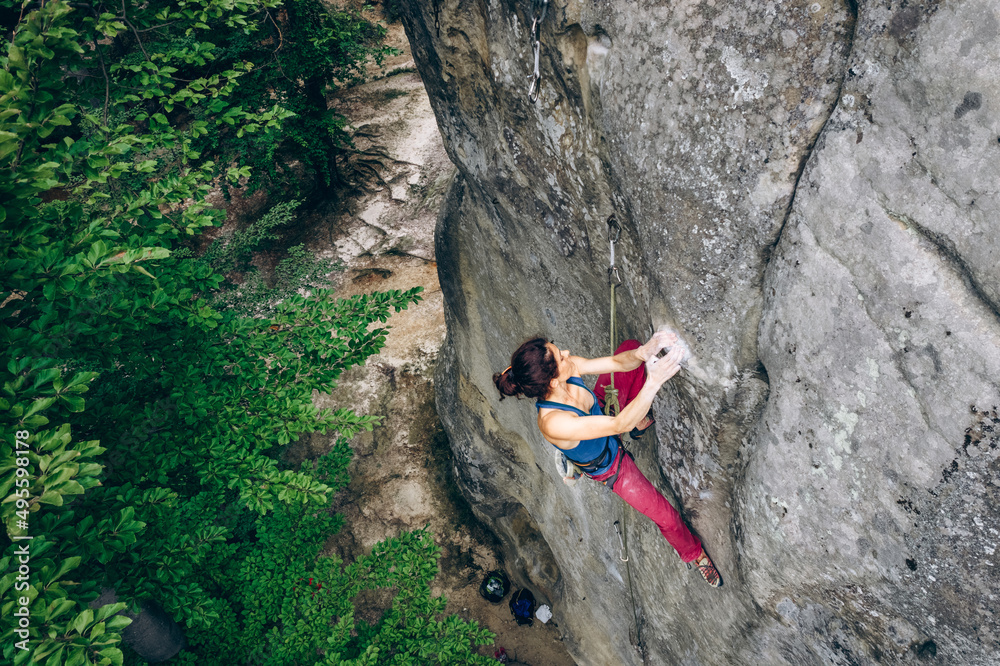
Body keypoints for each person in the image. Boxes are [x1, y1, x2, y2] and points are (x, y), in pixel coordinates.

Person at [493, 332, 722, 587]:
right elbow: (617, 424)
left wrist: (642, 353)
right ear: (553, 382)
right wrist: (654, 382)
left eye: (558, 349)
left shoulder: (567, 371)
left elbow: (616, 363)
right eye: (560, 356)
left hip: (602, 412)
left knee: (630, 346)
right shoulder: (554, 423)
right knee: (666, 517)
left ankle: (639, 424)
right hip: (611, 465)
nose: (566, 353)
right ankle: (694, 554)